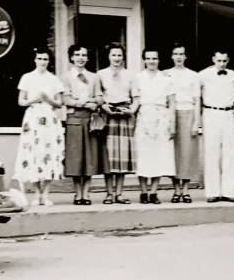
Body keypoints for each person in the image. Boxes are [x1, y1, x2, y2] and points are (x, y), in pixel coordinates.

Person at [14, 48, 65, 207]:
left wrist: (48, 99)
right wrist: (35, 99)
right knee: (34, 152)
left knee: (49, 153)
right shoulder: (27, 77)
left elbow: (60, 102)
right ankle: (37, 193)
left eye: (45, 59)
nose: (43, 62)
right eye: (40, 58)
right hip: (33, 118)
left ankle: (46, 193)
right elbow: (21, 101)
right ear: (35, 60)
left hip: (49, 118)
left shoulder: (54, 79)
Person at [132, 48, 175, 204]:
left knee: (158, 156)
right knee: (143, 156)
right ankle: (143, 192)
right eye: (148, 58)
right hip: (144, 117)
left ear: (159, 60)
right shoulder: (138, 77)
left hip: (161, 117)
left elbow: (172, 103)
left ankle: (154, 192)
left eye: (154, 58)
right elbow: (135, 101)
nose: (152, 61)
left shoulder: (166, 78)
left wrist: (172, 123)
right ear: (144, 60)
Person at [199, 50, 234, 203]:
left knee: (230, 153)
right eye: (219, 60)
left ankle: (228, 192)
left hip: (228, 114)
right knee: (211, 153)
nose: (222, 63)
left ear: (228, 60)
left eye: (224, 60)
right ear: (213, 59)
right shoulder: (203, 75)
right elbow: (196, 96)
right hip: (210, 113)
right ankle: (212, 192)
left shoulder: (233, 75)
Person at [62, 44, 103, 205]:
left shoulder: (94, 77)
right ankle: (77, 194)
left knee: (89, 157)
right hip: (74, 120)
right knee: (75, 158)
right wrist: (86, 104)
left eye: (83, 55)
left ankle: (86, 194)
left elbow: (100, 98)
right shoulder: (66, 77)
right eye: (77, 54)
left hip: (90, 120)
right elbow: (66, 100)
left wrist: (90, 102)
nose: (80, 58)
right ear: (71, 57)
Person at [164, 44, 201, 203]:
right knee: (173, 154)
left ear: (185, 57)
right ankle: (176, 189)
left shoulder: (193, 75)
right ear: (171, 56)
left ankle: (185, 190)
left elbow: (197, 100)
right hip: (170, 115)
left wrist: (196, 123)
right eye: (175, 54)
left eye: (181, 54)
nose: (178, 57)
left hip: (188, 113)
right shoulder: (165, 74)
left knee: (187, 153)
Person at [97, 43, 134, 204]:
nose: (116, 58)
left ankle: (119, 193)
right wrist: (105, 107)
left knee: (122, 156)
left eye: (119, 55)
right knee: (109, 157)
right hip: (108, 115)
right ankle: (108, 193)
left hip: (124, 115)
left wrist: (131, 110)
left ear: (123, 56)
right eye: (113, 55)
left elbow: (136, 97)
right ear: (108, 56)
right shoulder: (101, 74)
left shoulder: (130, 75)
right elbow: (98, 95)